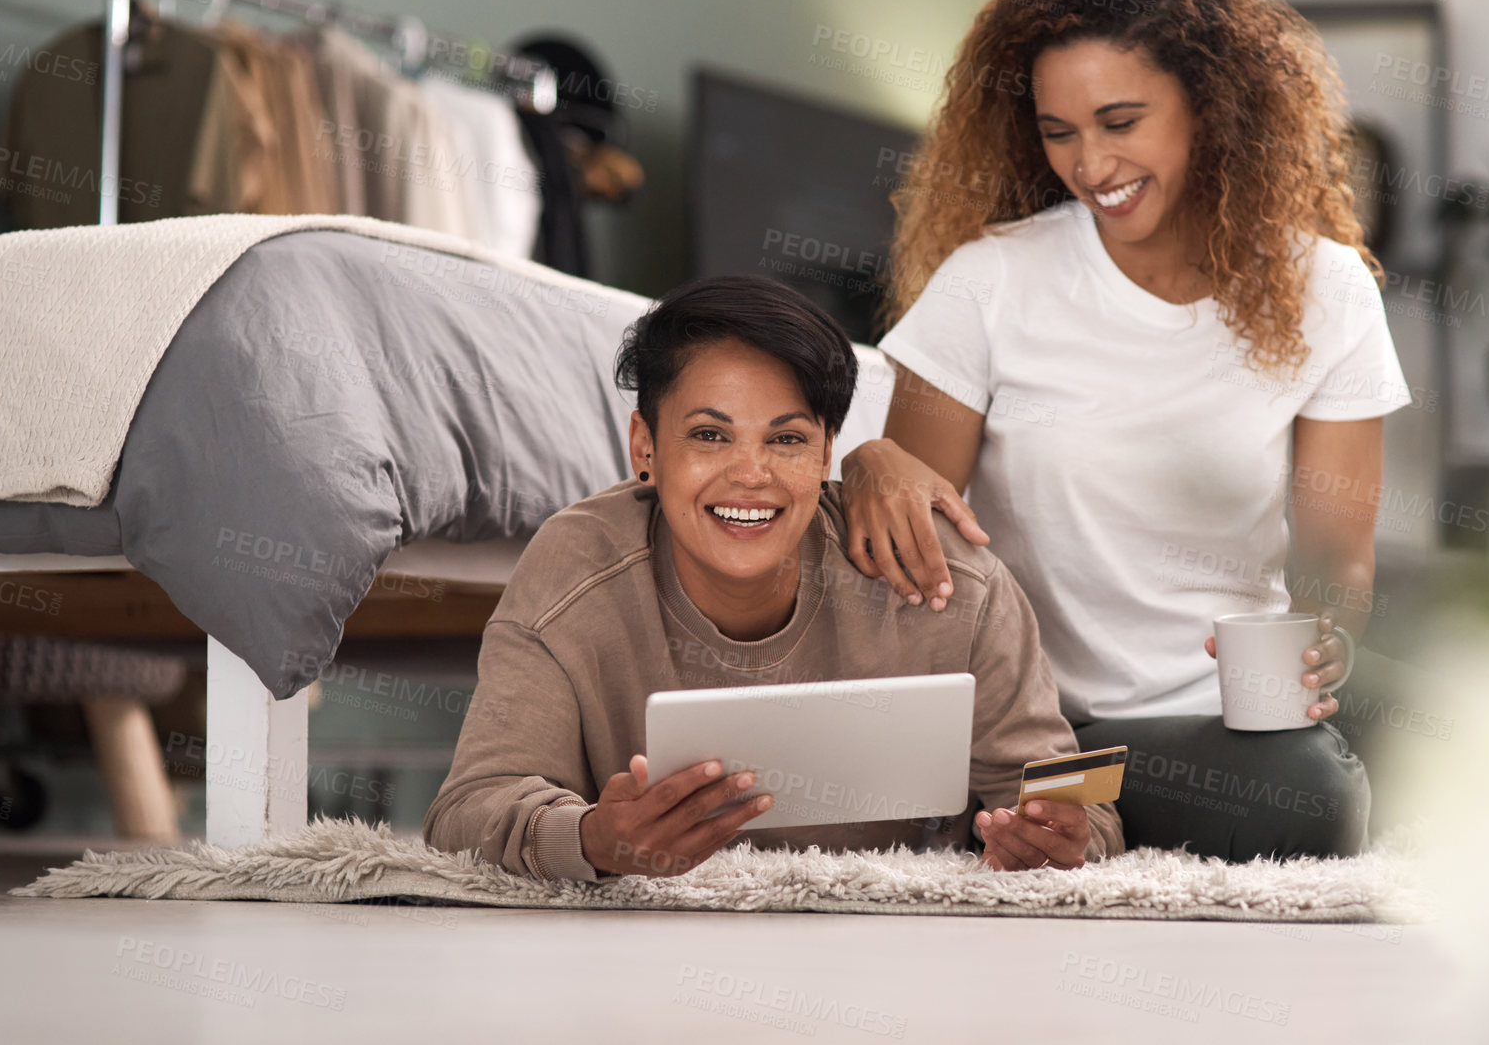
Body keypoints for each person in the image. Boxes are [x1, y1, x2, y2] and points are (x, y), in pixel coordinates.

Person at [842, 0, 1411, 860]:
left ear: (1209, 106)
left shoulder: (1329, 288)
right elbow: (920, 561)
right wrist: (872, 465)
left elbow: (1334, 559)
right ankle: (1067, 796)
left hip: (1241, 693)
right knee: (1310, 805)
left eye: (1119, 122)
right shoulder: (989, 283)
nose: (1089, 165)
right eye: (1058, 131)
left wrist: (1322, 646)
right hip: (1062, 715)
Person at [423, 275, 1124, 880]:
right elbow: (466, 809)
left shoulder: (946, 579)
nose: (750, 475)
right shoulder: (575, 566)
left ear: (826, 451)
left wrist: (1057, 838)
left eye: (785, 439)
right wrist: (593, 839)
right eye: (708, 435)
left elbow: (1073, 807)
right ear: (644, 447)